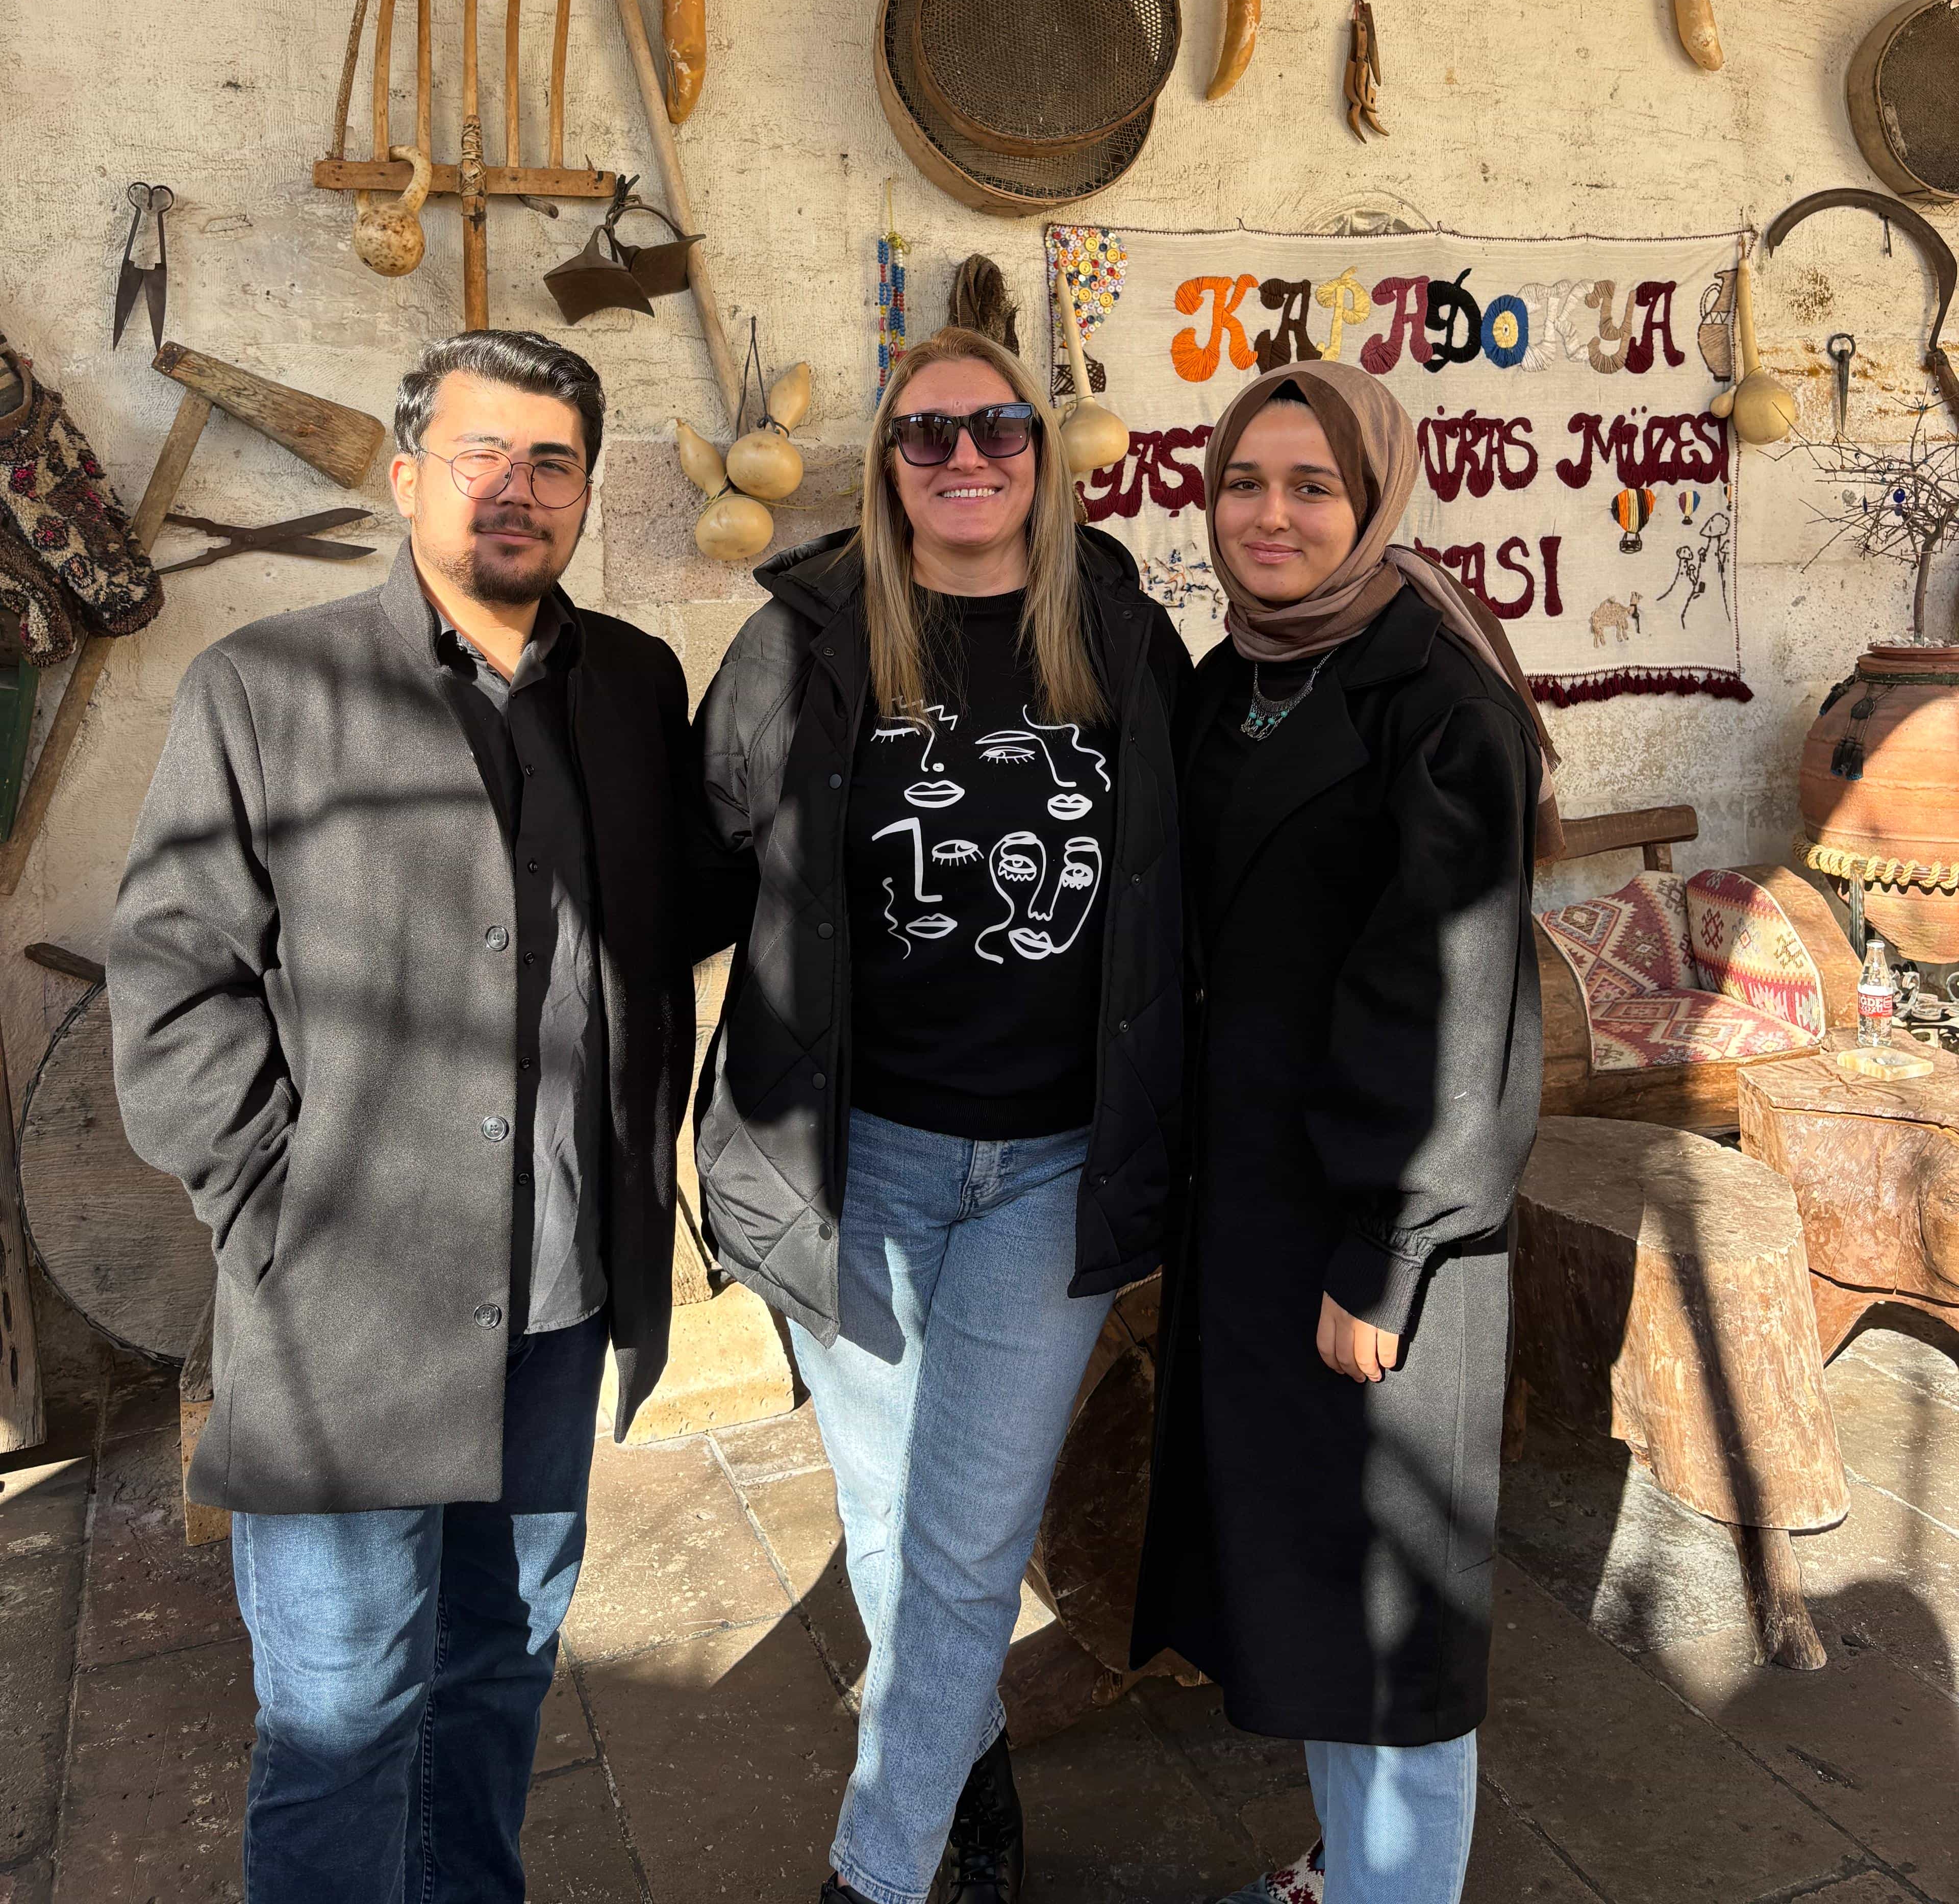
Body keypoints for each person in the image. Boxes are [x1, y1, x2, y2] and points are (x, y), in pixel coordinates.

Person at [110, 330, 744, 1904]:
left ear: (586, 493)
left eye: (552, 462)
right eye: (481, 453)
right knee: (341, 1717)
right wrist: (277, 1212)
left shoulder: (632, 687)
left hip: (558, 1303)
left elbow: (678, 907)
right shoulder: (269, 689)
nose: (516, 488)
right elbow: (174, 988)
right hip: (351, 1323)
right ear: (406, 477)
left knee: (500, 1666)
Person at [694, 327, 1189, 1904]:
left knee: (965, 1536)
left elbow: (1202, 874)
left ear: (1040, 453)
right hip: (857, 1162)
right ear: (886, 463)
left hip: (1053, 1165)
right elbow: (694, 867)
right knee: (896, 1517)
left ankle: (879, 1872)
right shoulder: (801, 644)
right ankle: (971, 1789)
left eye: (999, 429)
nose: (967, 458)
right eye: (928, 435)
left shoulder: (1122, 637)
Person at [1129, 365, 1554, 1904]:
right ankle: (1345, 1874)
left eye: (1314, 486)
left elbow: (1457, 998)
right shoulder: (1230, 680)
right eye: (1245, 482)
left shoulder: (1438, 702)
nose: (1273, 515)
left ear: (1374, 504)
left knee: (1392, 1618)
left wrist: (1386, 1249)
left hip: (1382, 1235)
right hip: (1256, 1212)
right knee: (1312, 1589)